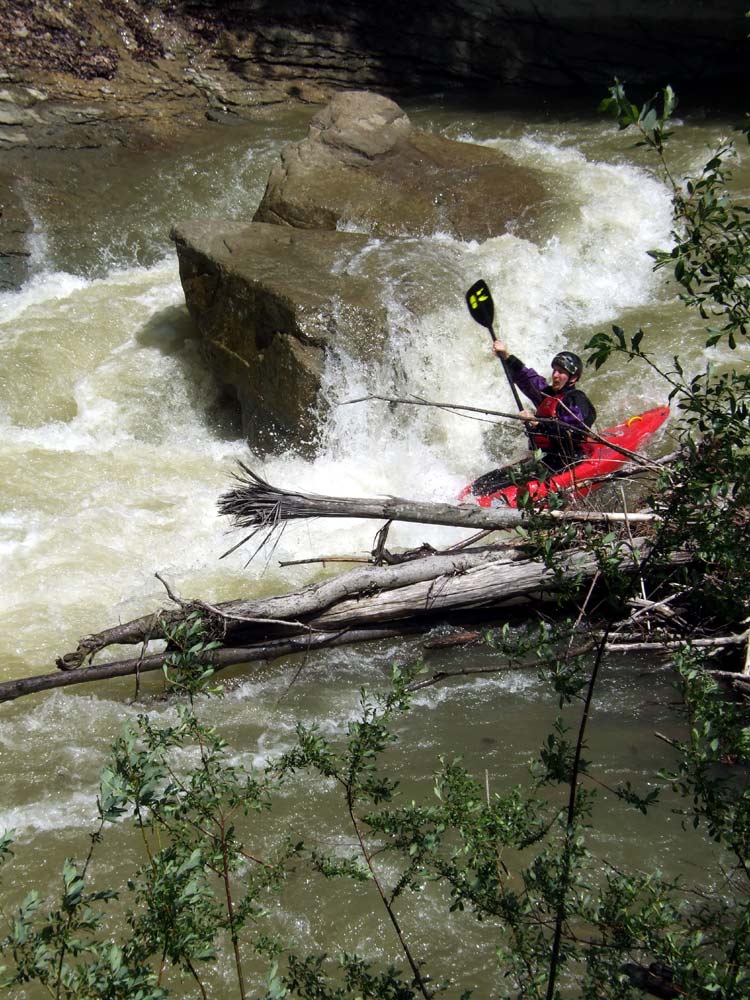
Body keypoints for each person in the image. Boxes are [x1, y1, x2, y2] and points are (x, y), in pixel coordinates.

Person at [469, 342, 596, 496]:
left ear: (573, 378)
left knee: (494, 490)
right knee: (482, 484)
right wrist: (507, 356)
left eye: (561, 372)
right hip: (544, 459)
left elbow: (572, 431)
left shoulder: (576, 400)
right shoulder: (549, 395)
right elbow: (527, 379)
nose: (555, 375)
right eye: (555, 370)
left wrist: (537, 423)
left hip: (566, 463)